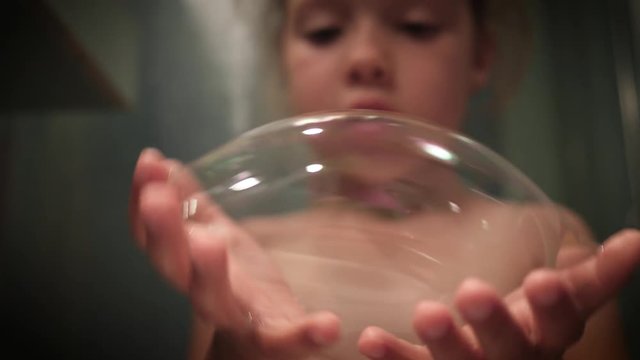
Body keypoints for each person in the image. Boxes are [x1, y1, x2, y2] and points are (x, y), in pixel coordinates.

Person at [129, 0, 640, 359]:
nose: (367, 59)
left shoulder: (545, 240)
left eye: (416, 24)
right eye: (325, 30)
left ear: (480, 56)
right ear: (283, 60)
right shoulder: (238, 255)